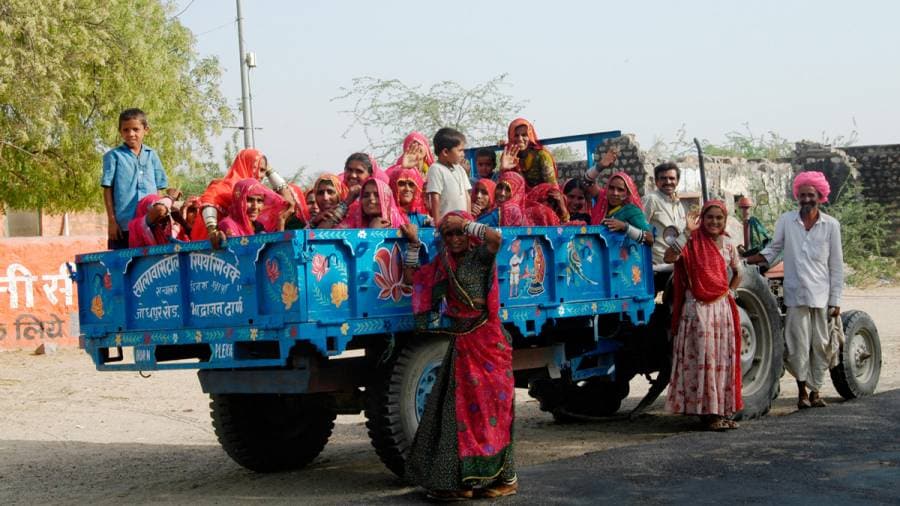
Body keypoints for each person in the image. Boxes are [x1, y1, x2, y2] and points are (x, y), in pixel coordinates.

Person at [401, 212, 517, 500]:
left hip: (487, 344)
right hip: (460, 345)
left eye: (458, 233)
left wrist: (464, 224)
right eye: (448, 234)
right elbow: (412, 280)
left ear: (468, 234)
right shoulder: (443, 262)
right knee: (456, 414)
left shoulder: (480, 256)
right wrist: (414, 245)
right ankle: (459, 482)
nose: (453, 239)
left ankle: (504, 478)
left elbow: (496, 238)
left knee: (491, 412)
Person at [746, 171, 843, 410]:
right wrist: (747, 260)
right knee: (798, 344)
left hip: (821, 296)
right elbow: (773, 250)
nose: (806, 199)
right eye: (802, 195)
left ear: (820, 196)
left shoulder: (831, 225)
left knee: (820, 344)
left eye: (811, 195)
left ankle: (816, 391)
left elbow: (836, 266)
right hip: (795, 294)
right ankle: (801, 392)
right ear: (797, 197)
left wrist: (836, 299)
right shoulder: (786, 221)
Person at [665, 200, 743, 431]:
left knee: (721, 360)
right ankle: (707, 413)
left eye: (719, 218)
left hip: (721, 310)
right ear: (702, 219)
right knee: (703, 361)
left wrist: (731, 291)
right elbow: (669, 258)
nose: (714, 222)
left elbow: (738, 272)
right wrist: (686, 232)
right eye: (710, 217)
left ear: (725, 220)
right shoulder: (691, 242)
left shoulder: (728, 244)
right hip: (697, 310)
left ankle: (719, 411)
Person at [193, 149, 295, 248]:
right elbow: (208, 202)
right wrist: (213, 230)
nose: (260, 175)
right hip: (212, 245)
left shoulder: (257, 195)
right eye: (256, 168)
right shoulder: (225, 187)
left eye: (263, 170)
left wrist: (269, 171)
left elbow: (288, 201)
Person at [101, 108, 170, 250]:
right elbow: (107, 189)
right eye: (126, 130)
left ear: (146, 130)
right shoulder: (114, 156)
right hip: (124, 225)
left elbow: (158, 189)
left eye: (135, 129)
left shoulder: (152, 155)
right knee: (125, 267)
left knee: (151, 265)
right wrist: (112, 222)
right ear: (120, 131)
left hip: (149, 223)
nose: (131, 134)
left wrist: (159, 214)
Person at [643, 162, 692, 292]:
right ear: (657, 181)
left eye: (672, 178)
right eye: (663, 178)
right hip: (656, 267)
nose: (668, 182)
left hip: (675, 265)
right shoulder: (651, 199)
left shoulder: (678, 205)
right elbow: (640, 229)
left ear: (677, 181)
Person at [591, 172, 653, 245]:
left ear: (627, 193)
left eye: (620, 190)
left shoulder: (631, 210)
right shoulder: (603, 206)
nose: (615, 193)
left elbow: (650, 239)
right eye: (611, 188)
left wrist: (624, 227)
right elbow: (587, 183)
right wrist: (600, 166)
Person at [218, 178, 290, 238]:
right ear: (238, 201)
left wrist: (281, 222)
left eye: (259, 201)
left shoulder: (258, 226)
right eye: (249, 200)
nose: (255, 207)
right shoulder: (228, 224)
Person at [426, 127, 471, 221]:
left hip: (462, 222)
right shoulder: (436, 169)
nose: (463, 154)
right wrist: (438, 223)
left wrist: (469, 219)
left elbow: (467, 196)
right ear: (446, 152)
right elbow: (435, 197)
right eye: (460, 150)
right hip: (446, 224)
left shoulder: (460, 169)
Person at [500, 118, 557, 188]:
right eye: (516, 135)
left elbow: (552, 188)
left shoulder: (542, 156)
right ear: (511, 137)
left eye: (524, 135)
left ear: (530, 136)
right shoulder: (508, 157)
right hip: (518, 198)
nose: (520, 139)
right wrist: (504, 168)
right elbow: (503, 190)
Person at [344, 178, 409, 228]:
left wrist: (414, 240)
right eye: (366, 196)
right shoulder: (353, 224)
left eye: (377, 195)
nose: (371, 199)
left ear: (387, 200)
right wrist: (372, 231)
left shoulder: (400, 225)